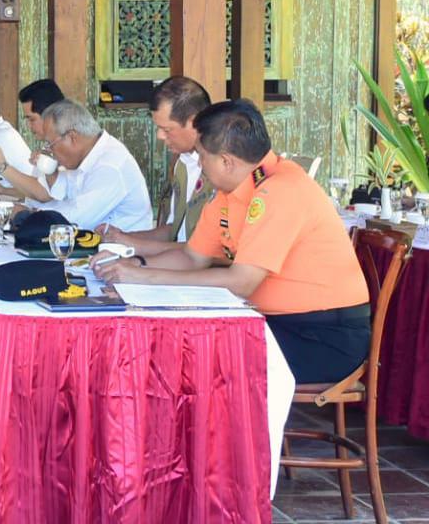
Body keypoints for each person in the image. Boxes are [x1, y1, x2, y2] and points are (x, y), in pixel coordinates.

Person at [95, 100, 371, 384]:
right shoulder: (234, 189)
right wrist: (130, 268)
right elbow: (193, 257)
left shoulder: (281, 190)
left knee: (190, 359)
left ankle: (215, 430)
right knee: (174, 345)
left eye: (202, 157)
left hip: (320, 336)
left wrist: (143, 277)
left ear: (227, 161)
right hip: (272, 322)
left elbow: (242, 282)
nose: (200, 166)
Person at [99, 76, 215, 256]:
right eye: (158, 128)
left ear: (194, 122)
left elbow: (207, 253)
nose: (160, 136)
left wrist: (132, 246)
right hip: (176, 264)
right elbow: (174, 230)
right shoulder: (182, 164)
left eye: (167, 129)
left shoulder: (221, 173)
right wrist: (122, 237)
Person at [23, 99, 152, 231]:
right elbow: (63, 189)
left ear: (72, 137)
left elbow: (75, 219)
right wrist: (49, 169)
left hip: (122, 249)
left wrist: (30, 214)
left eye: (50, 144)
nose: (49, 151)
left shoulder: (109, 166)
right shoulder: (87, 154)